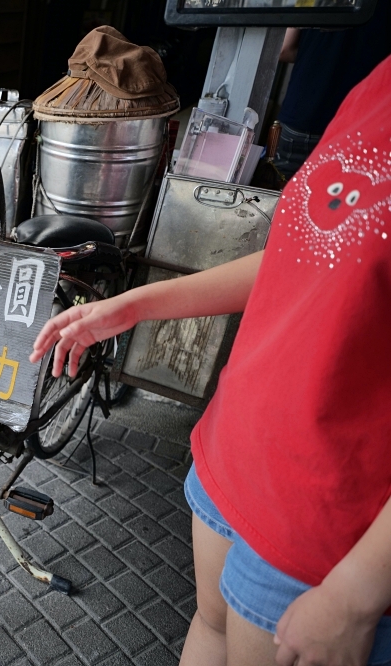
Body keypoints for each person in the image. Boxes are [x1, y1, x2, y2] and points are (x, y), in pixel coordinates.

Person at [31, 55, 391, 666]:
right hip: (239, 443)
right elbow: (300, 251)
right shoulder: (374, 83)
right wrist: (130, 307)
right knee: (210, 624)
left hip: (330, 517)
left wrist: (359, 591)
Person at [272, 3, 390, 179]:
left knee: (287, 199)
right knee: (337, 200)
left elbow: (284, 49)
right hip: (358, 125)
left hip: (304, 114)